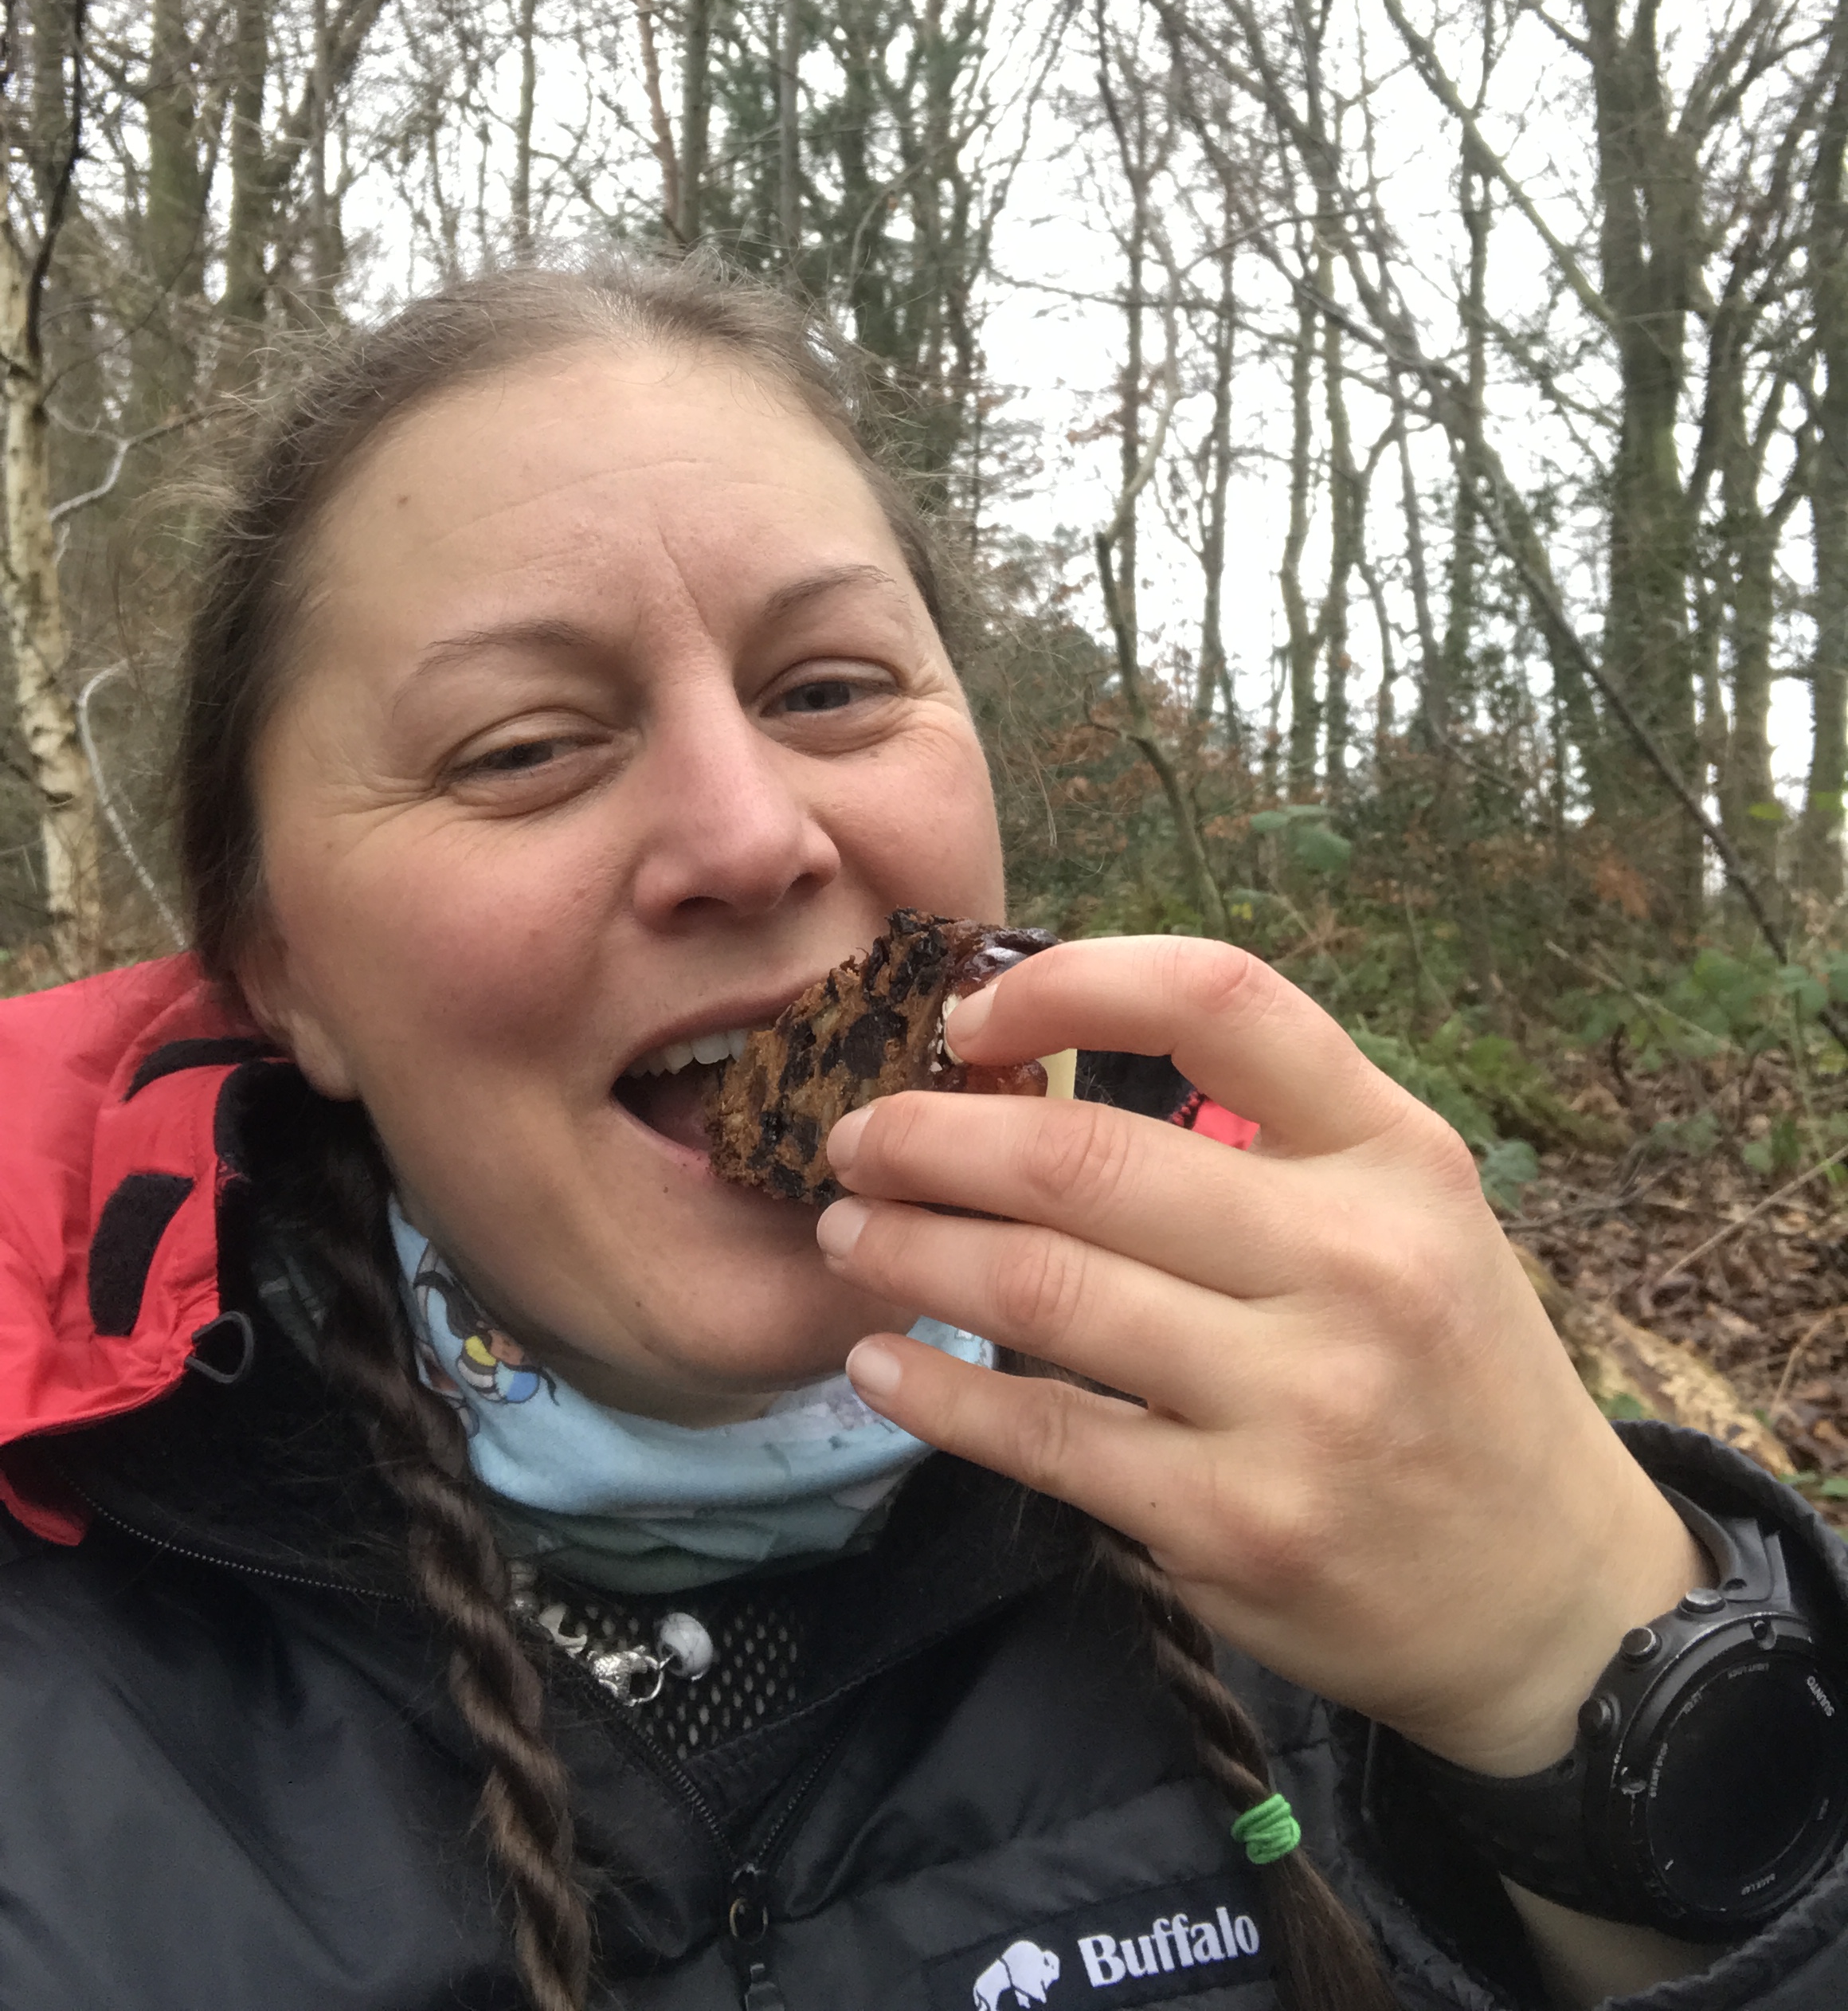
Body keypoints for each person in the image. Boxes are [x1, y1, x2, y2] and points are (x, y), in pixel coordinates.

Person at [0, 255, 1843, 2011]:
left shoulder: (1351, 1459)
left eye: (828, 688)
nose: (750, 835)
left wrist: (1598, 1667)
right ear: (284, 968)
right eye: (523, 744)